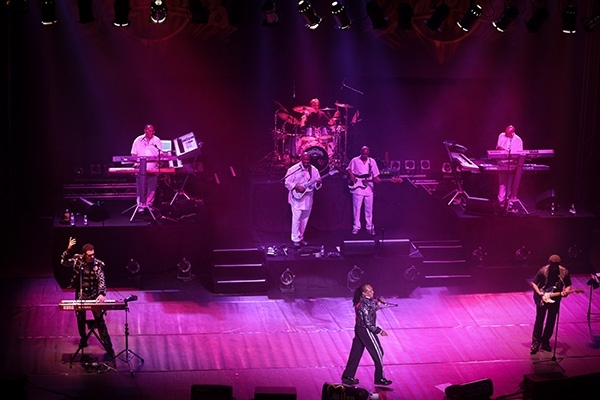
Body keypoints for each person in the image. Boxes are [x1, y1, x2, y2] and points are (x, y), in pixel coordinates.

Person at [60, 237, 115, 358]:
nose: (92, 257)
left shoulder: (98, 264)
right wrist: (68, 249)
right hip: (81, 294)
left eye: (93, 254)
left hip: (94, 294)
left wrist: (101, 293)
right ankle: (83, 339)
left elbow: (101, 280)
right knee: (80, 319)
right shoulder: (77, 260)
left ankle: (108, 345)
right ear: (84, 254)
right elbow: (63, 262)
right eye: (89, 255)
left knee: (100, 320)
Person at [341, 283, 392, 386]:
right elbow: (368, 323)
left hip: (359, 328)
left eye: (372, 290)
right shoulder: (364, 305)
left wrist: (377, 304)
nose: (372, 292)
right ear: (364, 293)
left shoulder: (365, 301)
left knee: (356, 352)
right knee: (378, 352)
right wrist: (379, 331)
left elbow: (370, 309)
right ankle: (380, 378)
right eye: (370, 291)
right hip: (366, 330)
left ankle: (348, 376)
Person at [529, 254, 572, 355]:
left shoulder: (564, 272)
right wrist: (540, 294)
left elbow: (568, 285)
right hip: (543, 298)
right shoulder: (543, 270)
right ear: (549, 263)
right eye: (552, 265)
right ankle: (535, 343)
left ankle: (545, 341)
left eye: (556, 265)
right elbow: (534, 283)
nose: (554, 267)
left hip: (555, 299)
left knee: (551, 321)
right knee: (539, 320)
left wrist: (566, 291)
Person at [284, 152, 322, 247]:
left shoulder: (314, 170)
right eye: (304, 160)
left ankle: (301, 237)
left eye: (308, 160)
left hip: (308, 198)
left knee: (304, 219)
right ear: (301, 159)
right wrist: (297, 186)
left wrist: (318, 183)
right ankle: (295, 239)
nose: (306, 162)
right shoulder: (293, 169)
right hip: (296, 198)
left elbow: (317, 185)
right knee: (296, 219)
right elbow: (287, 182)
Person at [346, 146, 381, 235]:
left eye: (366, 154)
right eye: (363, 154)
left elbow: (375, 174)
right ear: (360, 152)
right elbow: (348, 169)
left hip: (369, 187)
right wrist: (351, 175)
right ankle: (356, 227)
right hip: (358, 186)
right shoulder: (355, 160)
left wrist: (377, 179)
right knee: (356, 208)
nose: (364, 156)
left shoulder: (372, 161)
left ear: (368, 153)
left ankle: (369, 227)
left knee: (369, 209)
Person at [130, 124, 163, 209]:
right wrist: (136, 163)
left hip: (153, 169)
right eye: (149, 131)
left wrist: (159, 163)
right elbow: (133, 154)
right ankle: (141, 206)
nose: (151, 133)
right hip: (140, 169)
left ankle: (149, 206)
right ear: (145, 130)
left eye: (152, 131)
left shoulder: (157, 140)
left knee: (152, 189)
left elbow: (160, 154)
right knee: (141, 189)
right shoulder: (138, 140)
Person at [495, 125, 523, 206]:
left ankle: (506, 200)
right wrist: (503, 150)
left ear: (512, 133)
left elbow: (520, 153)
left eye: (508, 134)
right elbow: (498, 147)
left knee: (509, 182)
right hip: (502, 162)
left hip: (511, 163)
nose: (506, 135)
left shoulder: (518, 140)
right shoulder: (501, 135)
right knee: (501, 183)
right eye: (506, 133)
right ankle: (500, 201)